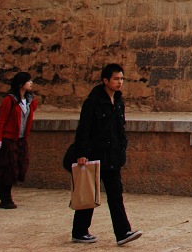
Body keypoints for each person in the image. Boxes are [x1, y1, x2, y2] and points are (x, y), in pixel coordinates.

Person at [70, 63, 142, 246]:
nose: (120, 83)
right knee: (89, 193)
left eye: (122, 79)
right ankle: (79, 231)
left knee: (115, 194)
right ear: (105, 80)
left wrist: (122, 147)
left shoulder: (118, 102)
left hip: (112, 155)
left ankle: (123, 232)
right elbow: (83, 130)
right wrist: (82, 153)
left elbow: (120, 128)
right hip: (95, 154)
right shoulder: (93, 102)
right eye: (116, 79)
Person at [0, 71, 38, 209]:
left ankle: (2, 189)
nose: (31, 83)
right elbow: (1, 121)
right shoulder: (9, 100)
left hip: (21, 140)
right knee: (8, 169)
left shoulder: (30, 101)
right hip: (8, 140)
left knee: (20, 167)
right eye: (29, 81)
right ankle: (6, 197)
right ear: (21, 84)